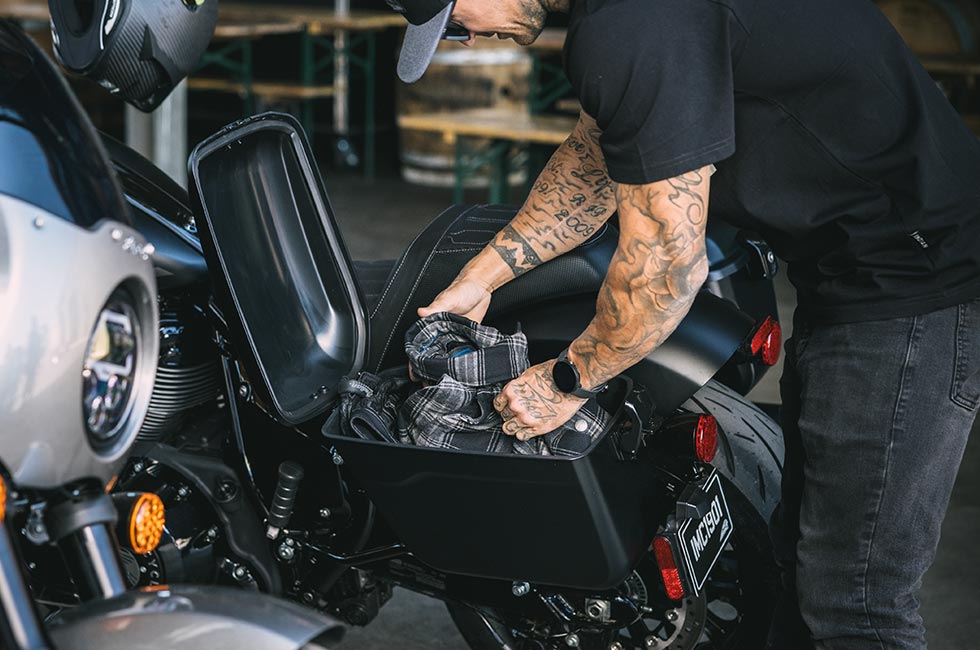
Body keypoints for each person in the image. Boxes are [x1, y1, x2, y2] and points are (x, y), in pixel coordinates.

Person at [384, 0, 980, 648]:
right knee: (804, 570)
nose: (466, 39)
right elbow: (591, 162)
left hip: (915, 290)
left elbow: (667, 268)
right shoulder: (628, 22)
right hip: (853, 281)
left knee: (855, 607)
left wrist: (564, 382)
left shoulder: (633, 20)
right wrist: (481, 278)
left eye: (453, 20)